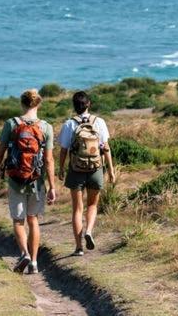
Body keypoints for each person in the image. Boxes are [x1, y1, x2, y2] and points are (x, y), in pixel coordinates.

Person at [0, 89, 56, 275]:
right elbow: (49, 160)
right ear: (38, 104)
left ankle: (24, 253)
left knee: (18, 221)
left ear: (22, 103)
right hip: (37, 179)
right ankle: (34, 262)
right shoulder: (46, 127)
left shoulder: (11, 124)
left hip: (15, 179)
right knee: (33, 219)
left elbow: (0, 151)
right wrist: (52, 186)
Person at [58, 90, 115, 256]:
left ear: (74, 106)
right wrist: (110, 170)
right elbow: (105, 148)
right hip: (95, 169)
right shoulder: (99, 122)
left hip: (76, 169)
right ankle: (89, 230)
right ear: (88, 104)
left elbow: (63, 150)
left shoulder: (69, 124)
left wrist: (61, 168)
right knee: (92, 205)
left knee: (77, 209)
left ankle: (78, 247)